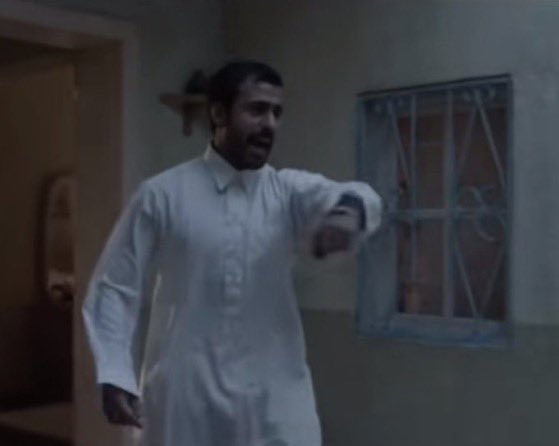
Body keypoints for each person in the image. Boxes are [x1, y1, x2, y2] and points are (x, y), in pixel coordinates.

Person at [83, 61, 382, 446]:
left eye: (276, 112)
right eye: (257, 110)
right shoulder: (162, 195)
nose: (270, 124)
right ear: (219, 114)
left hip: (273, 400)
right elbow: (115, 285)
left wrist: (346, 214)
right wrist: (113, 374)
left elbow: (356, 195)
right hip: (186, 398)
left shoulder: (286, 192)